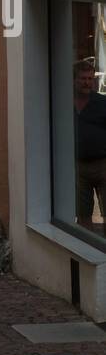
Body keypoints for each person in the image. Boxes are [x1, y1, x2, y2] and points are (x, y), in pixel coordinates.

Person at [73, 58, 106, 236]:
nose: (87, 82)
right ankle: (85, 250)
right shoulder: (64, 103)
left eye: (89, 78)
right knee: (82, 213)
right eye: (83, 78)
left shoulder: (101, 103)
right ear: (74, 80)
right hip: (78, 167)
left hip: (102, 165)